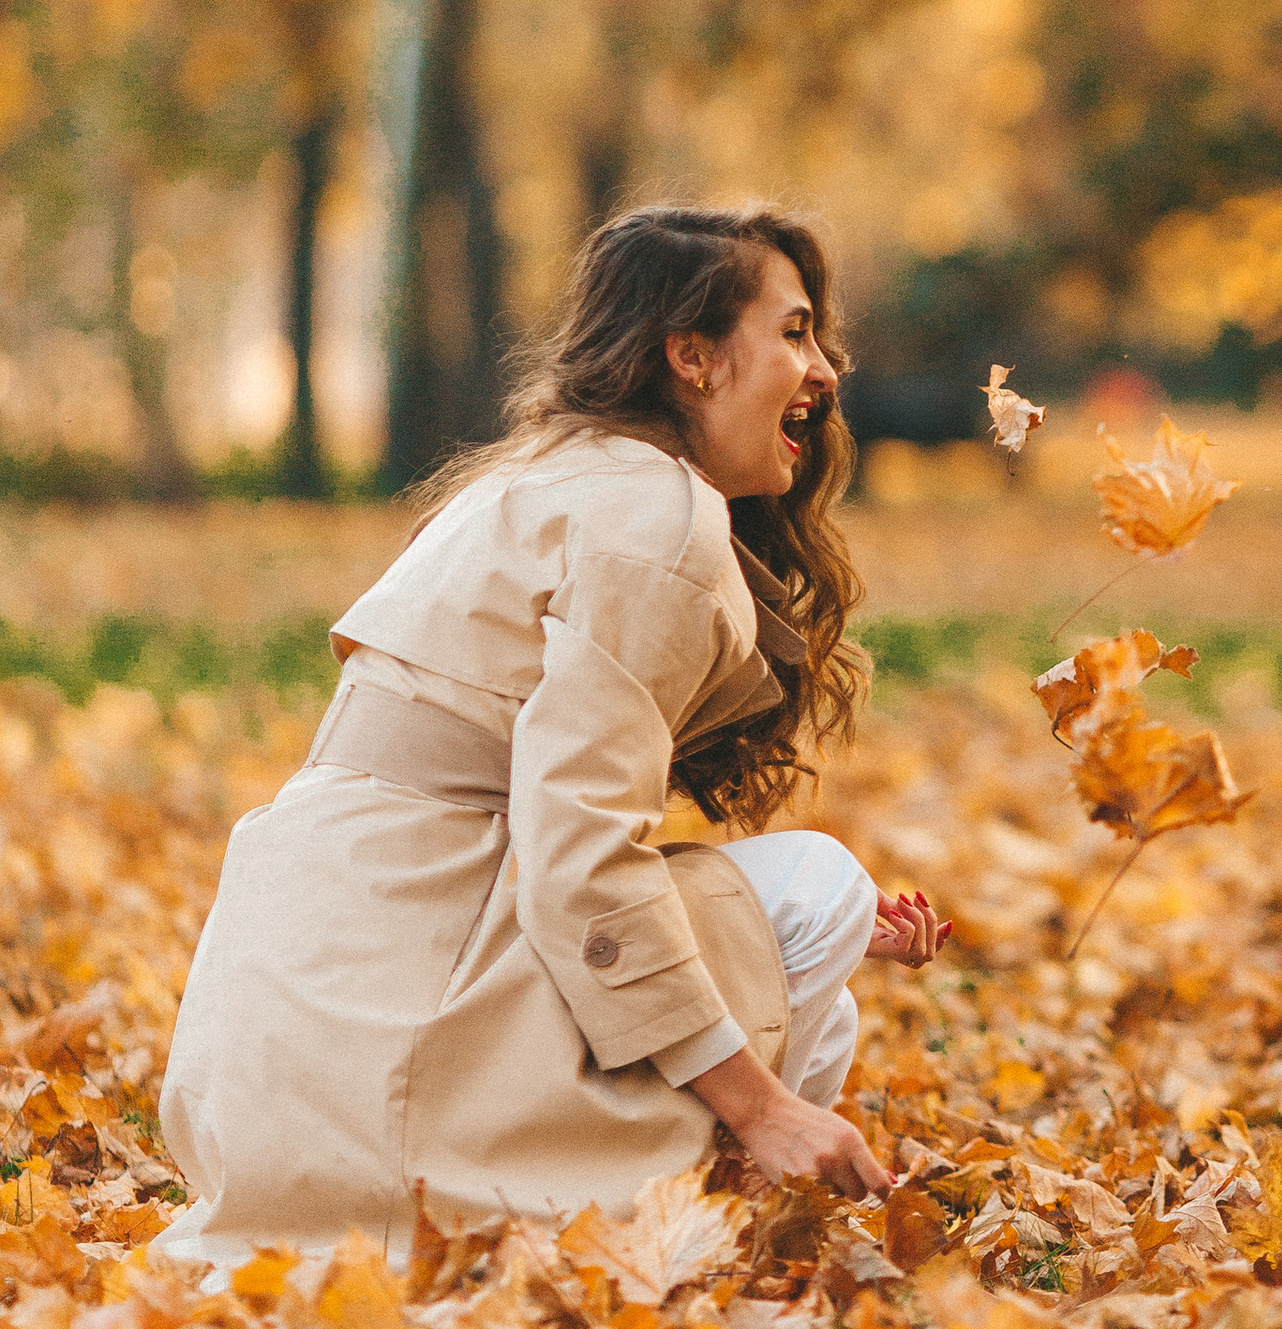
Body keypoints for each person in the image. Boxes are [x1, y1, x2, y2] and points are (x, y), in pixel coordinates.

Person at [159, 205, 948, 1267]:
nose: (827, 371)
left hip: (278, 1061)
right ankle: (698, 1232)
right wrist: (764, 1108)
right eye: (795, 332)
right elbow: (579, 854)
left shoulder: (538, 483)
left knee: (824, 973)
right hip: (402, 1050)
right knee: (816, 887)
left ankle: (724, 1205)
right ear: (694, 359)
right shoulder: (656, 521)